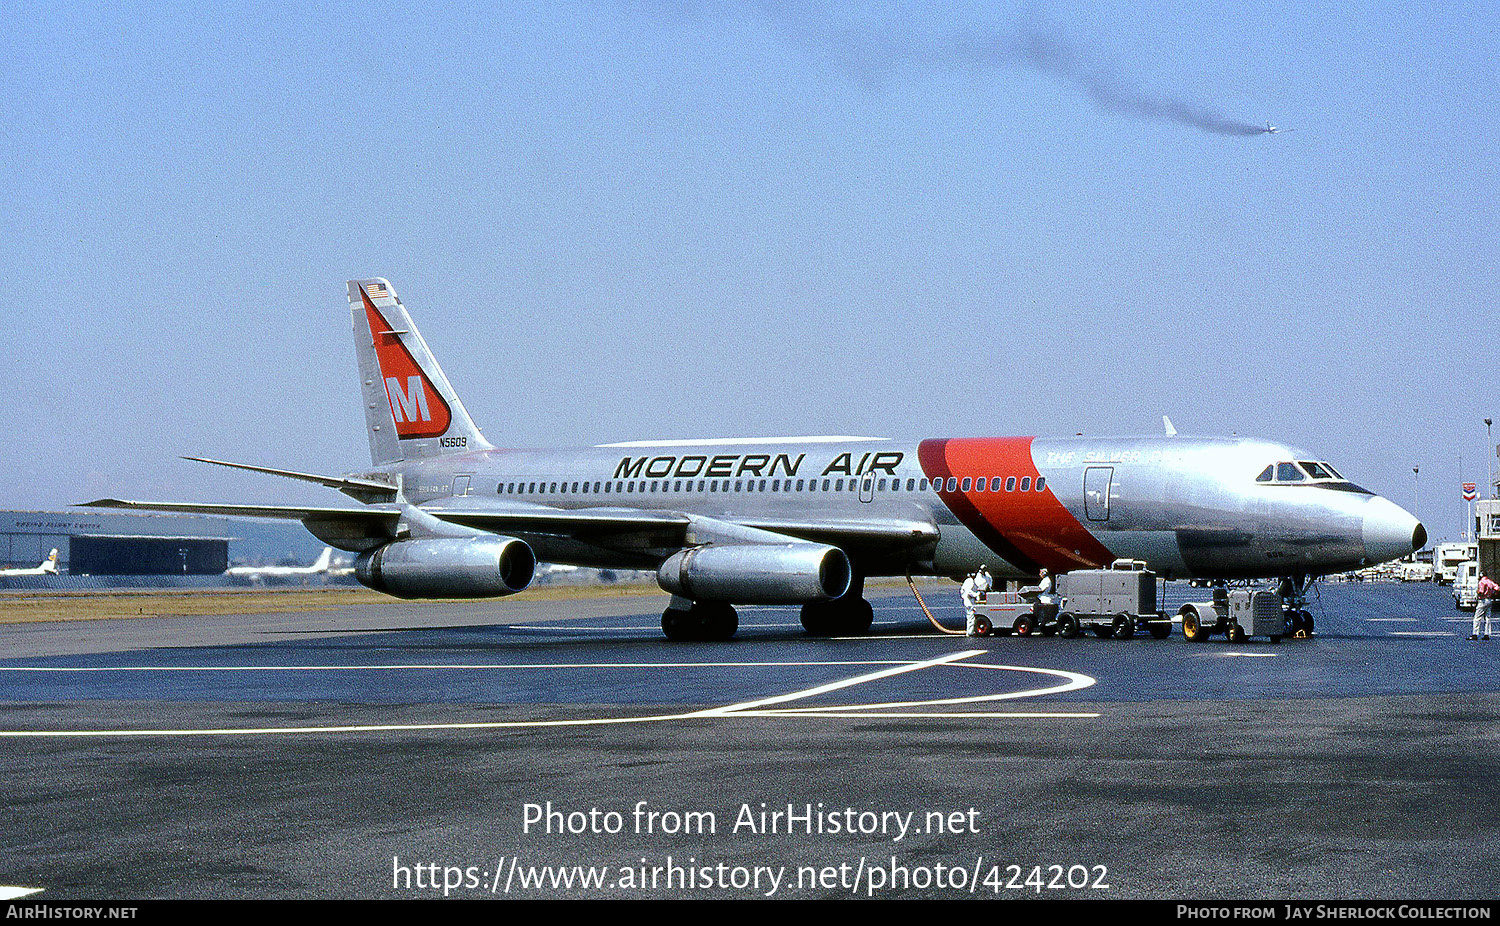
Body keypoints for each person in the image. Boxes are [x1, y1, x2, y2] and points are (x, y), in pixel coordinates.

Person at [1473, 569, 1497, 641]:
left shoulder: (1482, 582)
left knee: (1477, 617)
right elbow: (1497, 587)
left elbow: (1481, 591)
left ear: (1481, 575)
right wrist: (1492, 593)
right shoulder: (1490, 581)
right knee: (1487, 618)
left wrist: (1478, 594)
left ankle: (1475, 634)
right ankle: (1487, 634)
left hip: (1482, 600)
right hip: (1489, 600)